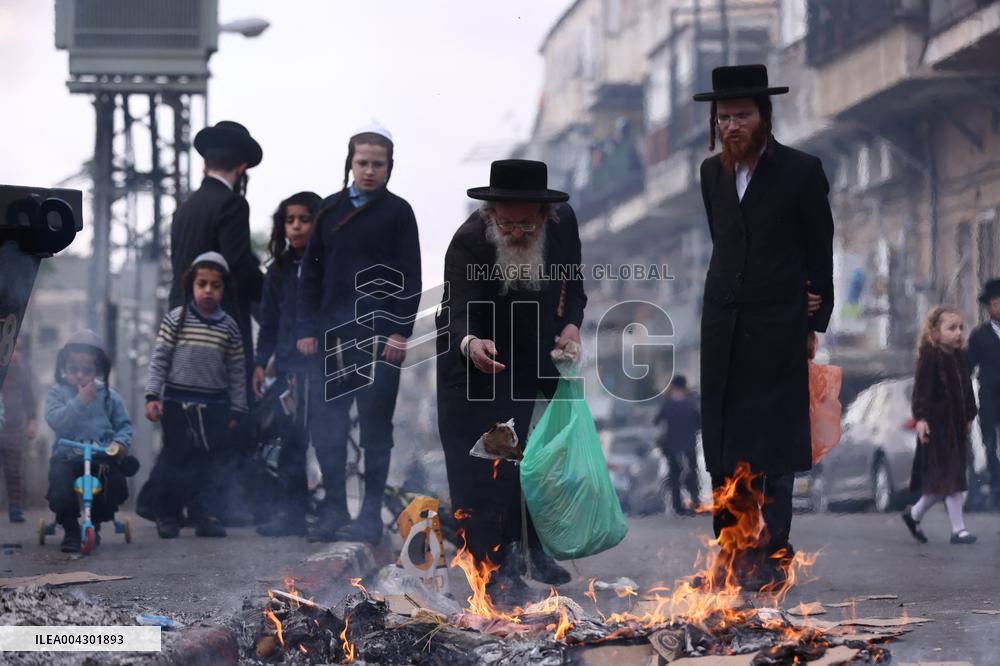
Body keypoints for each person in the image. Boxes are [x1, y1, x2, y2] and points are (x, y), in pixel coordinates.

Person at [694, 64, 835, 589]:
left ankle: (773, 552)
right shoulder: (711, 174)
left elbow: (819, 249)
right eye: (724, 117)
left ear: (764, 116)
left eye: (742, 116)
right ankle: (732, 551)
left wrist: (813, 315)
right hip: (723, 327)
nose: (732, 126)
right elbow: (726, 241)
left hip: (777, 324)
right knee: (725, 444)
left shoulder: (801, 171)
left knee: (773, 443)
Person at [436, 159, 588, 602]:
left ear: (545, 215)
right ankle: (496, 577)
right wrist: (471, 343)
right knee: (492, 472)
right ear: (491, 215)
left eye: (527, 225)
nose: (517, 233)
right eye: (506, 224)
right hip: (477, 365)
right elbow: (458, 309)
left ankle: (532, 549)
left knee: (538, 459)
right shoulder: (468, 241)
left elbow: (573, 286)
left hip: (534, 353)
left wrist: (571, 324)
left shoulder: (563, 224)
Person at [297, 122, 421, 544]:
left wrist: (400, 331)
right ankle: (333, 509)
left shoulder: (399, 212)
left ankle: (369, 516)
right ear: (350, 163)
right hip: (331, 338)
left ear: (390, 167)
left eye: (378, 164)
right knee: (327, 427)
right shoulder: (328, 211)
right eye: (362, 162)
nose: (369, 171)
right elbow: (310, 277)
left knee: (375, 430)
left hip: (379, 340)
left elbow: (411, 276)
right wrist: (307, 328)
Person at [167, 120, 263, 526]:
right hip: (221, 328)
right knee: (225, 415)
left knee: (188, 414)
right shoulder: (233, 205)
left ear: (206, 164)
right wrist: (270, 296)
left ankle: (181, 504)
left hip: (182, 323)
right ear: (241, 169)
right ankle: (215, 505)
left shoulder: (186, 207)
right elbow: (237, 263)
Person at [143, 252, 248, 539]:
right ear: (191, 285)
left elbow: (237, 370)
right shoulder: (176, 320)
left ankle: (206, 515)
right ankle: (167, 514)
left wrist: (238, 409)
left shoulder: (229, 327)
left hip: (214, 407)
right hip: (177, 404)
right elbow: (159, 360)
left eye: (215, 285)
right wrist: (152, 396)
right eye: (202, 284)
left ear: (224, 289)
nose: (208, 291)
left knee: (210, 464)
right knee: (175, 460)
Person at [253, 191, 322, 537]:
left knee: (325, 440)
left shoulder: (326, 265)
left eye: (304, 219)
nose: (296, 227)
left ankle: (330, 511)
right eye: (290, 220)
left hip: (321, 368)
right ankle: (291, 513)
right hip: (286, 370)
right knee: (290, 442)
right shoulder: (278, 270)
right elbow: (269, 322)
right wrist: (260, 362)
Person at [45, 330, 133, 553]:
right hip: (68, 455)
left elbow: (123, 425)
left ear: (98, 370)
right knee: (60, 487)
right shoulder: (58, 393)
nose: (79, 375)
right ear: (64, 367)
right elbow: (56, 420)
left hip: (100, 455)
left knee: (113, 485)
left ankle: (95, 523)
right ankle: (71, 530)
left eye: (86, 370)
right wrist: (80, 401)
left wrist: (120, 444)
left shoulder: (109, 396)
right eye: (73, 369)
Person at [901, 306, 979, 545]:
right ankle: (958, 530)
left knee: (945, 480)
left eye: (961, 328)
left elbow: (966, 390)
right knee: (949, 478)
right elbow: (921, 392)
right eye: (951, 328)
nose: (958, 333)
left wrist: (969, 415)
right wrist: (921, 419)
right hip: (936, 430)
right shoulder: (930, 357)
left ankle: (914, 515)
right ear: (935, 333)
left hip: (956, 429)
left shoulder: (959, 357)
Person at [966, 278, 1000, 509]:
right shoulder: (979, 336)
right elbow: (967, 367)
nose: (998, 308)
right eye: (995, 304)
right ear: (989, 307)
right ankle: (997, 488)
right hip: (989, 398)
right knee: (990, 444)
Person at [0, 336, 37, 523]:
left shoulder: (21, 374)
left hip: (14, 430)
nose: (15, 354)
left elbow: (30, 401)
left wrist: (32, 423)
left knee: (14, 471)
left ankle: (15, 508)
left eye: (18, 350)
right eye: (11, 349)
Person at [653, 374, 701, 516]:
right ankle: (695, 502)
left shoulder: (667, 404)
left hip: (671, 446)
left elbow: (656, 421)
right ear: (685, 386)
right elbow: (699, 423)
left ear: (673, 386)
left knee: (674, 476)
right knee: (692, 472)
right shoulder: (691, 403)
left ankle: (678, 506)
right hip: (689, 444)